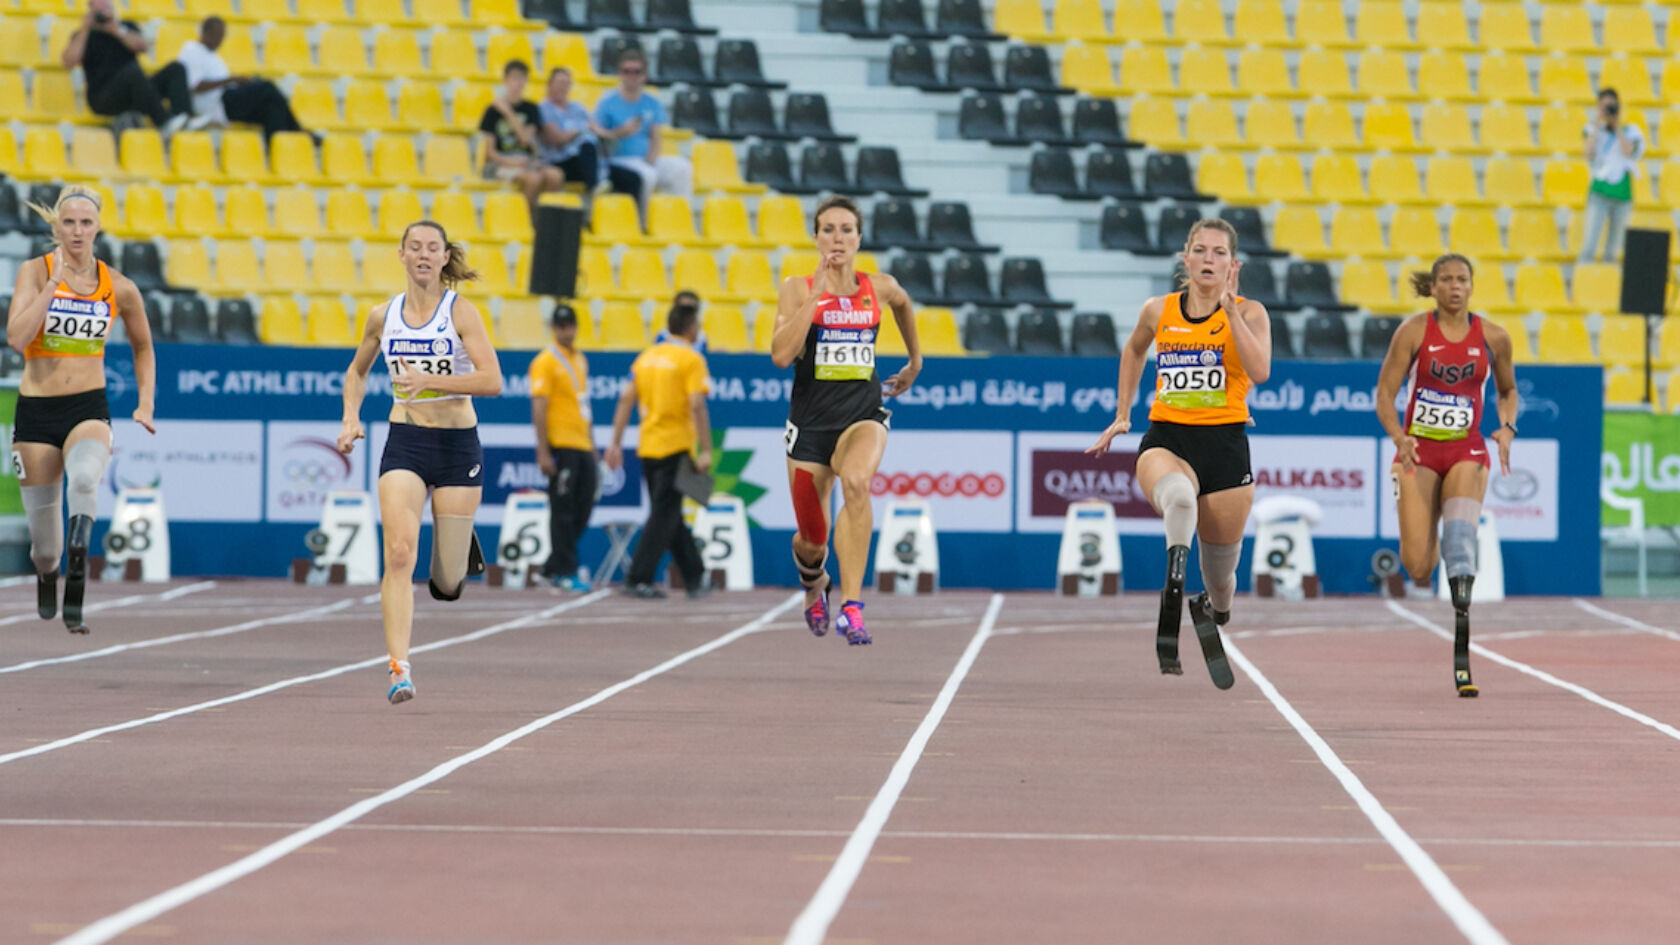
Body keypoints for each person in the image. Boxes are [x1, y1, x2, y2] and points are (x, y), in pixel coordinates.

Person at [1086, 219, 1271, 691]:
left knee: (1222, 580)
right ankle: (1173, 583)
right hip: (1168, 437)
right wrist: (1124, 413)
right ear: (1185, 259)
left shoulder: (1251, 313)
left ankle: (1213, 607)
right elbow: (1133, 350)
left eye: (1219, 253)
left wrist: (1229, 314)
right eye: (1201, 251)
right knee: (1180, 500)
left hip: (1226, 449)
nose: (1209, 259)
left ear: (1233, 265)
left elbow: (1261, 371)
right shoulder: (1158, 310)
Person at [337, 220, 503, 705]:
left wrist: (433, 382)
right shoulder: (381, 316)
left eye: (434, 248)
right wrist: (350, 416)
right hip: (405, 442)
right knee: (399, 553)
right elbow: (356, 371)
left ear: (445, 257)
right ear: (402, 256)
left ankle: (456, 549)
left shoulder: (461, 313)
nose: (425, 255)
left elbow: (492, 381)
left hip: (457, 447)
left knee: (447, 582)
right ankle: (398, 668)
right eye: (416, 248)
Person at [5, 186, 158, 634]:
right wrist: (53, 285)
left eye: (85, 223)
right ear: (56, 228)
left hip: (88, 406)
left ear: (98, 228)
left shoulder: (120, 286)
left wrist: (146, 402)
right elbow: (17, 338)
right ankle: (52, 569)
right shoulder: (34, 273)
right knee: (44, 549)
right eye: (68, 223)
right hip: (36, 412)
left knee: (87, 478)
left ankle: (79, 555)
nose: (77, 231)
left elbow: (144, 346)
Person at [771, 195, 922, 646]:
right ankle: (814, 583)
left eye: (846, 230)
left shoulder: (879, 286)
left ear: (859, 238)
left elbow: (903, 303)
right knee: (811, 540)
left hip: (862, 414)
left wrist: (915, 361)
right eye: (828, 229)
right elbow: (780, 356)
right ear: (815, 238)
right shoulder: (797, 288)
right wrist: (816, 298)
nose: (837, 238)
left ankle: (853, 606)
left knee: (857, 483)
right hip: (810, 425)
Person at [1374, 254, 1519, 698]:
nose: (1454, 286)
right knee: (1418, 565)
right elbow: (1384, 392)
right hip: (1418, 450)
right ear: (1433, 287)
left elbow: (1508, 390)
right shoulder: (1414, 332)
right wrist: (1399, 435)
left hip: (1467, 448)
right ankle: (1426, 508)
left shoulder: (1493, 336)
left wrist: (1507, 427)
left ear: (1471, 286)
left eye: (1462, 279)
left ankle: (1462, 633)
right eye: (1446, 279)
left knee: (1459, 544)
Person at [604, 303, 711, 599]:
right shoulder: (692, 359)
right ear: (691, 328)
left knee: (669, 513)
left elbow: (626, 399)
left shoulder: (646, 358)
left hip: (649, 447)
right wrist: (705, 449)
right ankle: (638, 577)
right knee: (664, 515)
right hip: (676, 446)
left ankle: (695, 575)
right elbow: (697, 404)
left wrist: (615, 442)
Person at [529, 302, 597, 591]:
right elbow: (539, 406)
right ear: (553, 328)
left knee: (584, 506)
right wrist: (543, 450)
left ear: (576, 327)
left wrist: (593, 445)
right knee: (563, 509)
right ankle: (565, 571)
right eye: (560, 325)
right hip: (561, 444)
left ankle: (552, 565)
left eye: (569, 325)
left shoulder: (580, 359)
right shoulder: (544, 361)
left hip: (581, 443)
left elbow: (584, 405)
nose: (565, 330)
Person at [61, 0, 191, 134]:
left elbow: (143, 47)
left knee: (176, 69)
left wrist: (116, 29)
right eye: (96, 8)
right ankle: (164, 123)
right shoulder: (83, 35)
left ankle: (185, 120)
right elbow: (69, 62)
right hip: (104, 97)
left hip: (137, 91)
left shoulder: (126, 26)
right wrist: (85, 28)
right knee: (132, 72)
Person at [173, 16, 308, 143]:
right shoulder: (192, 50)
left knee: (272, 109)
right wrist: (230, 79)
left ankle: (277, 149)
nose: (220, 40)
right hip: (218, 103)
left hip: (228, 98)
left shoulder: (214, 56)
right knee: (268, 87)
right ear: (206, 32)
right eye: (218, 35)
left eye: (222, 35)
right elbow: (194, 86)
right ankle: (299, 131)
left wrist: (236, 81)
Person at [593, 49, 692, 212]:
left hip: (645, 160)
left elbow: (656, 137)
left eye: (636, 72)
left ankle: (682, 217)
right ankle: (642, 224)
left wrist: (651, 159)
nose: (632, 76)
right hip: (620, 160)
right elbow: (598, 136)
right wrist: (620, 132)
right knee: (646, 176)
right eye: (627, 71)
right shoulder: (607, 103)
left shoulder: (652, 103)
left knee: (682, 168)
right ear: (620, 74)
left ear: (644, 75)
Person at [479, 61, 564, 216]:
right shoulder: (492, 111)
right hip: (502, 162)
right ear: (505, 80)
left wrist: (508, 113)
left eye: (522, 78)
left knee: (555, 176)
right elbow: (490, 152)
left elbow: (526, 140)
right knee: (533, 179)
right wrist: (511, 162)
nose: (518, 83)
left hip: (525, 159)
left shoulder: (531, 108)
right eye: (514, 78)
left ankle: (545, 218)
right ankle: (526, 219)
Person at [1581, 87, 1647, 263]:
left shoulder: (1630, 131)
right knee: (1589, 247)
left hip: (1622, 195)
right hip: (1599, 192)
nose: (1608, 110)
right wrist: (1597, 124)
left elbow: (1628, 152)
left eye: (1611, 106)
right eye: (1604, 106)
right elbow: (1588, 153)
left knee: (1613, 250)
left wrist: (1616, 127)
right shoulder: (1592, 130)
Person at [537, 67, 604, 198]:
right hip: (558, 160)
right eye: (559, 83)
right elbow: (556, 139)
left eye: (566, 84)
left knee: (592, 147)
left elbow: (597, 129)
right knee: (587, 145)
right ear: (549, 85)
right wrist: (580, 130)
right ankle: (594, 189)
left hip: (580, 158)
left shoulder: (577, 107)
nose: (563, 87)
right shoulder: (544, 108)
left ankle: (597, 187)